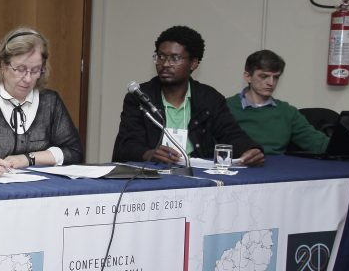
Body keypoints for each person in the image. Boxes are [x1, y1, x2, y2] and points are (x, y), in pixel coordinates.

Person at [112, 25, 265, 166]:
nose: (165, 64)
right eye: (161, 56)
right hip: (153, 177)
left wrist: (249, 150)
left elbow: (231, 134)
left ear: (193, 63)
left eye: (175, 58)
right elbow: (125, 147)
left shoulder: (209, 98)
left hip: (198, 177)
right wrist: (149, 154)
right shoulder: (140, 97)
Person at [0, 27, 82, 178]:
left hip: (40, 192)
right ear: (2, 65)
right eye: (20, 69)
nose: (27, 79)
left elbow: (74, 151)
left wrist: (28, 158)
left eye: (35, 70)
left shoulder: (50, 102)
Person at [226, 49, 329, 155]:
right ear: (248, 76)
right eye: (264, 76)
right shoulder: (225, 108)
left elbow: (317, 142)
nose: (271, 83)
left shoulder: (287, 111)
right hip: (241, 167)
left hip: (279, 168)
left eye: (276, 77)